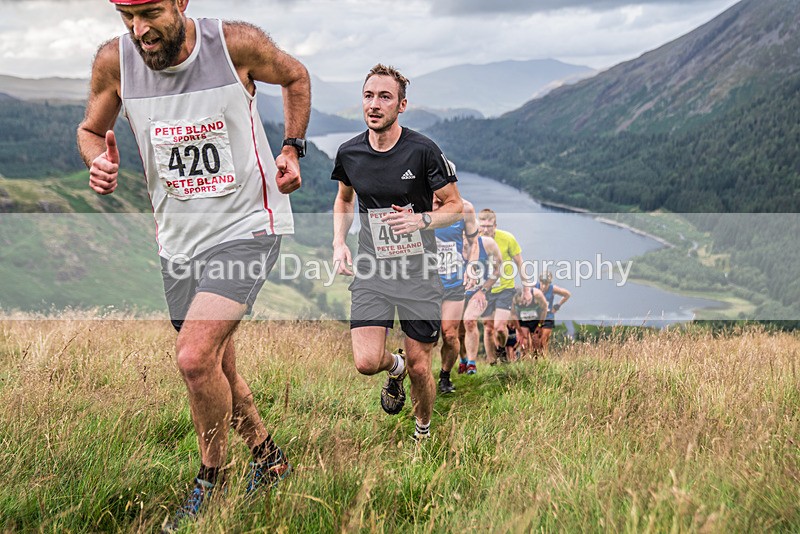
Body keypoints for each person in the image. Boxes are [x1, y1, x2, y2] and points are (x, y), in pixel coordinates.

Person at [76, 0, 310, 530]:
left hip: (248, 227)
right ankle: (270, 459)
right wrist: (98, 162)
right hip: (179, 243)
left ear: (181, 1)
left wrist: (293, 149)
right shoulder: (115, 62)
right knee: (217, 366)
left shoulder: (233, 44)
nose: (139, 29)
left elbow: (295, 76)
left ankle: (211, 482)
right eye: (126, 17)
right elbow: (90, 130)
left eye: (150, 12)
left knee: (194, 357)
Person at [331, 64, 464, 441]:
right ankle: (395, 368)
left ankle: (422, 431)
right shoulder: (349, 153)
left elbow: (455, 205)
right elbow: (344, 199)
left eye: (385, 97)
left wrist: (421, 220)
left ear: (401, 105)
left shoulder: (423, 150)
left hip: (418, 273)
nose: (374, 104)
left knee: (422, 368)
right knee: (366, 361)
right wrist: (339, 242)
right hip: (373, 270)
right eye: (368, 96)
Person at [434, 196, 479, 394]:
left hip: (453, 282)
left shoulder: (465, 208)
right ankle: (419, 376)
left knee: (450, 335)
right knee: (428, 338)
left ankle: (444, 376)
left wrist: (471, 266)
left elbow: (474, 242)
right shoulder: (419, 202)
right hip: (425, 283)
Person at [477, 209, 534, 364]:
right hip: (485, 290)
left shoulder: (507, 238)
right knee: (488, 327)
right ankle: (492, 364)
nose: (486, 230)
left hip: (505, 289)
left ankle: (501, 349)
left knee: (500, 327)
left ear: (495, 225)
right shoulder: (475, 240)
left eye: (489, 226)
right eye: (483, 226)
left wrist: (527, 289)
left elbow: (520, 263)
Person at [458, 233, 502, 374]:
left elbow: (498, 269)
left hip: (478, 292)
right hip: (456, 293)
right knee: (458, 332)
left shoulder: (487, 244)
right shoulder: (451, 243)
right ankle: (463, 359)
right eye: (463, 234)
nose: (466, 238)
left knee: (469, 321)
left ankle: (471, 364)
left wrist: (483, 290)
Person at [530, 270, 571, 355]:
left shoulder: (553, 289)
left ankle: (544, 359)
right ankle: (534, 359)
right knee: (535, 342)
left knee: (543, 341)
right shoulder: (533, 287)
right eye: (542, 283)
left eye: (546, 284)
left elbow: (567, 294)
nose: (544, 286)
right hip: (536, 317)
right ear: (540, 281)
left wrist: (557, 306)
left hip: (548, 317)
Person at [512, 285, 549, 359]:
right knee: (523, 341)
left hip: (536, 320)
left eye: (523, 301)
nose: (522, 304)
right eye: (519, 303)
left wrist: (539, 325)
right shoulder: (512, 298)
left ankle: (537, 359)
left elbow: (544, 309)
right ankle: (523, 359)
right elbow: (513, 315)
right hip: (522, 320)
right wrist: (519, 330)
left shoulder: (537, 294)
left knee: (536, 342)